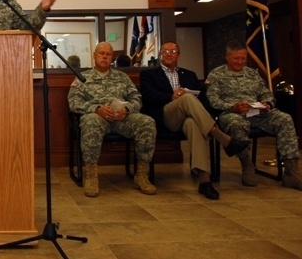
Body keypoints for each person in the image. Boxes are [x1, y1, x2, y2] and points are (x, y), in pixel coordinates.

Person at [139, 42, 248, 200]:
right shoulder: (149, 74)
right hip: (166, 116)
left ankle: (204, 180)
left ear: (178, 54)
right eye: (165, 51)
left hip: (189, 118)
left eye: (173, 51)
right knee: (187, 98)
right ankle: (221, 136)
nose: (169, 53)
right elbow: (148, 97)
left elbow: (203, 99)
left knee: (194, 124)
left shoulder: (189, 75)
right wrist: (171, 96)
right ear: (160, 54)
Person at [206, 40, 302, 190]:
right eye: (236, 58)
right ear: (227, 57)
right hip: (233, 114)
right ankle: (247, 166)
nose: (240, 62)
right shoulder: (216, 75)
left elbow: (266, 93)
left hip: (257, 113)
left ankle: (290, 172)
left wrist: (267, 103)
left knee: (285, 119)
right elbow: (212, 100)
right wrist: (232, 107)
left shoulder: (252, 74)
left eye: (243, 58)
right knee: (237, 124)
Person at [68, 41, 157, 197]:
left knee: (147, 122)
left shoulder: (122, 77)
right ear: (94, 56)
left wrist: (127, 109)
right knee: (90, 122)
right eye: (101, 53)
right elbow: (74, 102)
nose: (105, 57)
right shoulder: (83, 78)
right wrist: (96, 109)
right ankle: (91, 175)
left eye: (108, 54)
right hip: (98, 118)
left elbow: (136, 98)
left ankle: (142, 174)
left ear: (112, 58)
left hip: (122, 118)